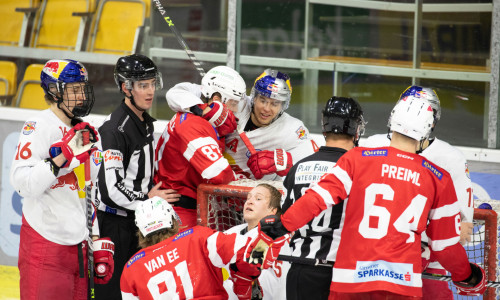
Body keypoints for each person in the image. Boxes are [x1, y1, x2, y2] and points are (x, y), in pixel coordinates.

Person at [278, 97, 487, 298]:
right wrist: (467, 276)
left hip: (349, 280)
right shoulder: (438, 177)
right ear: (427, 131)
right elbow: (445, 246)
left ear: (391, 121)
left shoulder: (357, 158)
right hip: (402, 284)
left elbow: (317, 199)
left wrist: (277, 227)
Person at [10, 59, 114, 299]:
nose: (81, 96)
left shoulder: (87, 132)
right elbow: (21, 183)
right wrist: (59, 160)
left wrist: (95, 239)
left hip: (80, 248)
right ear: (55, 91)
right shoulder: (38, 126)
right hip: (45, 247)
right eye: (74, 89)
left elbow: (89, 192)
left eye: (83, 88)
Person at [361, 86, 474, 299]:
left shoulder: (451, 158)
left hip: (431, 266)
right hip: (375, 260)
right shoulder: (373, 144)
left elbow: (464, 230)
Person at [94, 54, 180, 300]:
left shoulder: (144, 122)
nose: (150, 91)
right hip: (116, 226)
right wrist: (147, 199)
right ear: (125, 88)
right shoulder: (114, 130)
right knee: (112, 294)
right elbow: (111, 190)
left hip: (138, 223)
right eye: (143, 85)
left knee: (139, 291)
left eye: (153, 83)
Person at [165, 68, 318, 181]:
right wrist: (204, 110)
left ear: (283, 106)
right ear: (254, 97)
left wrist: (287, 161)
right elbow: (175, 92)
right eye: (263, 100)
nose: (266, 108)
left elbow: (314, 164)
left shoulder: (292, 129)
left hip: (248, 198)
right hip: (210, 181)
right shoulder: (234, 101)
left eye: (275, 103)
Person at [281, 96, 366, 300]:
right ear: (356, 129)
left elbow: (286, 215)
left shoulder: (298, 167)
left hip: (299, 270)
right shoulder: (360, 169)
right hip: (340, 273)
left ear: (324, 126)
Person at [120, 197, 267, 299]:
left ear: (140, 231)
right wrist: (269, 238)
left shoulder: (131, 268)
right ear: (173, 220)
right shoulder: (198, 237)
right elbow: (252, 252)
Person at [154, 65, 244, 228]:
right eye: (233, 103)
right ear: (217, 100)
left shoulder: (196, 113)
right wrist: (242, 181)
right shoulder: (193, 124)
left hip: (183, 206)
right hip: (179, 212)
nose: (236, 109)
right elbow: (218, 174)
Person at [223, 183, 291, 300]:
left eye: (258, 198)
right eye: (248, 198)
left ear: (272, 211)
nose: (249, 202)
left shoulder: (275, 237)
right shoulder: (231, 232)